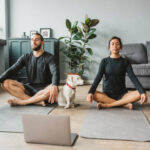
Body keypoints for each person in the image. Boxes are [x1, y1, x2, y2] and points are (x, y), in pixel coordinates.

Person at [87, 36, 147, 110]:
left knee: (139, 94)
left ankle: (108, 105)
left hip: (123, 95)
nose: (115, 46)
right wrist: (90, 92)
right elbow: (98, 78)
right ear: (109, 47)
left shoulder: (125, 61)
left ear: (120, 47)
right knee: (94, 94)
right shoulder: (104, 61)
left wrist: (142, 92)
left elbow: (133, 78)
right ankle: (124, 104)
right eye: (112, 44)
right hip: (107, 95)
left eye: (117, 44)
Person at [0, 33, 59, 106]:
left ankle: (22, 102)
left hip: (44, 89)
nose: (34, 42)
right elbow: (12, 70)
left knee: (53, 88)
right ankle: (36, 101)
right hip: (29, 87)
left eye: (37, 40)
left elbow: (55, 72)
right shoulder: (25, 57)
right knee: (5, 83)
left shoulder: (50, 57)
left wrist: (54, 85)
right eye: (32, 40)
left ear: (42, 42)